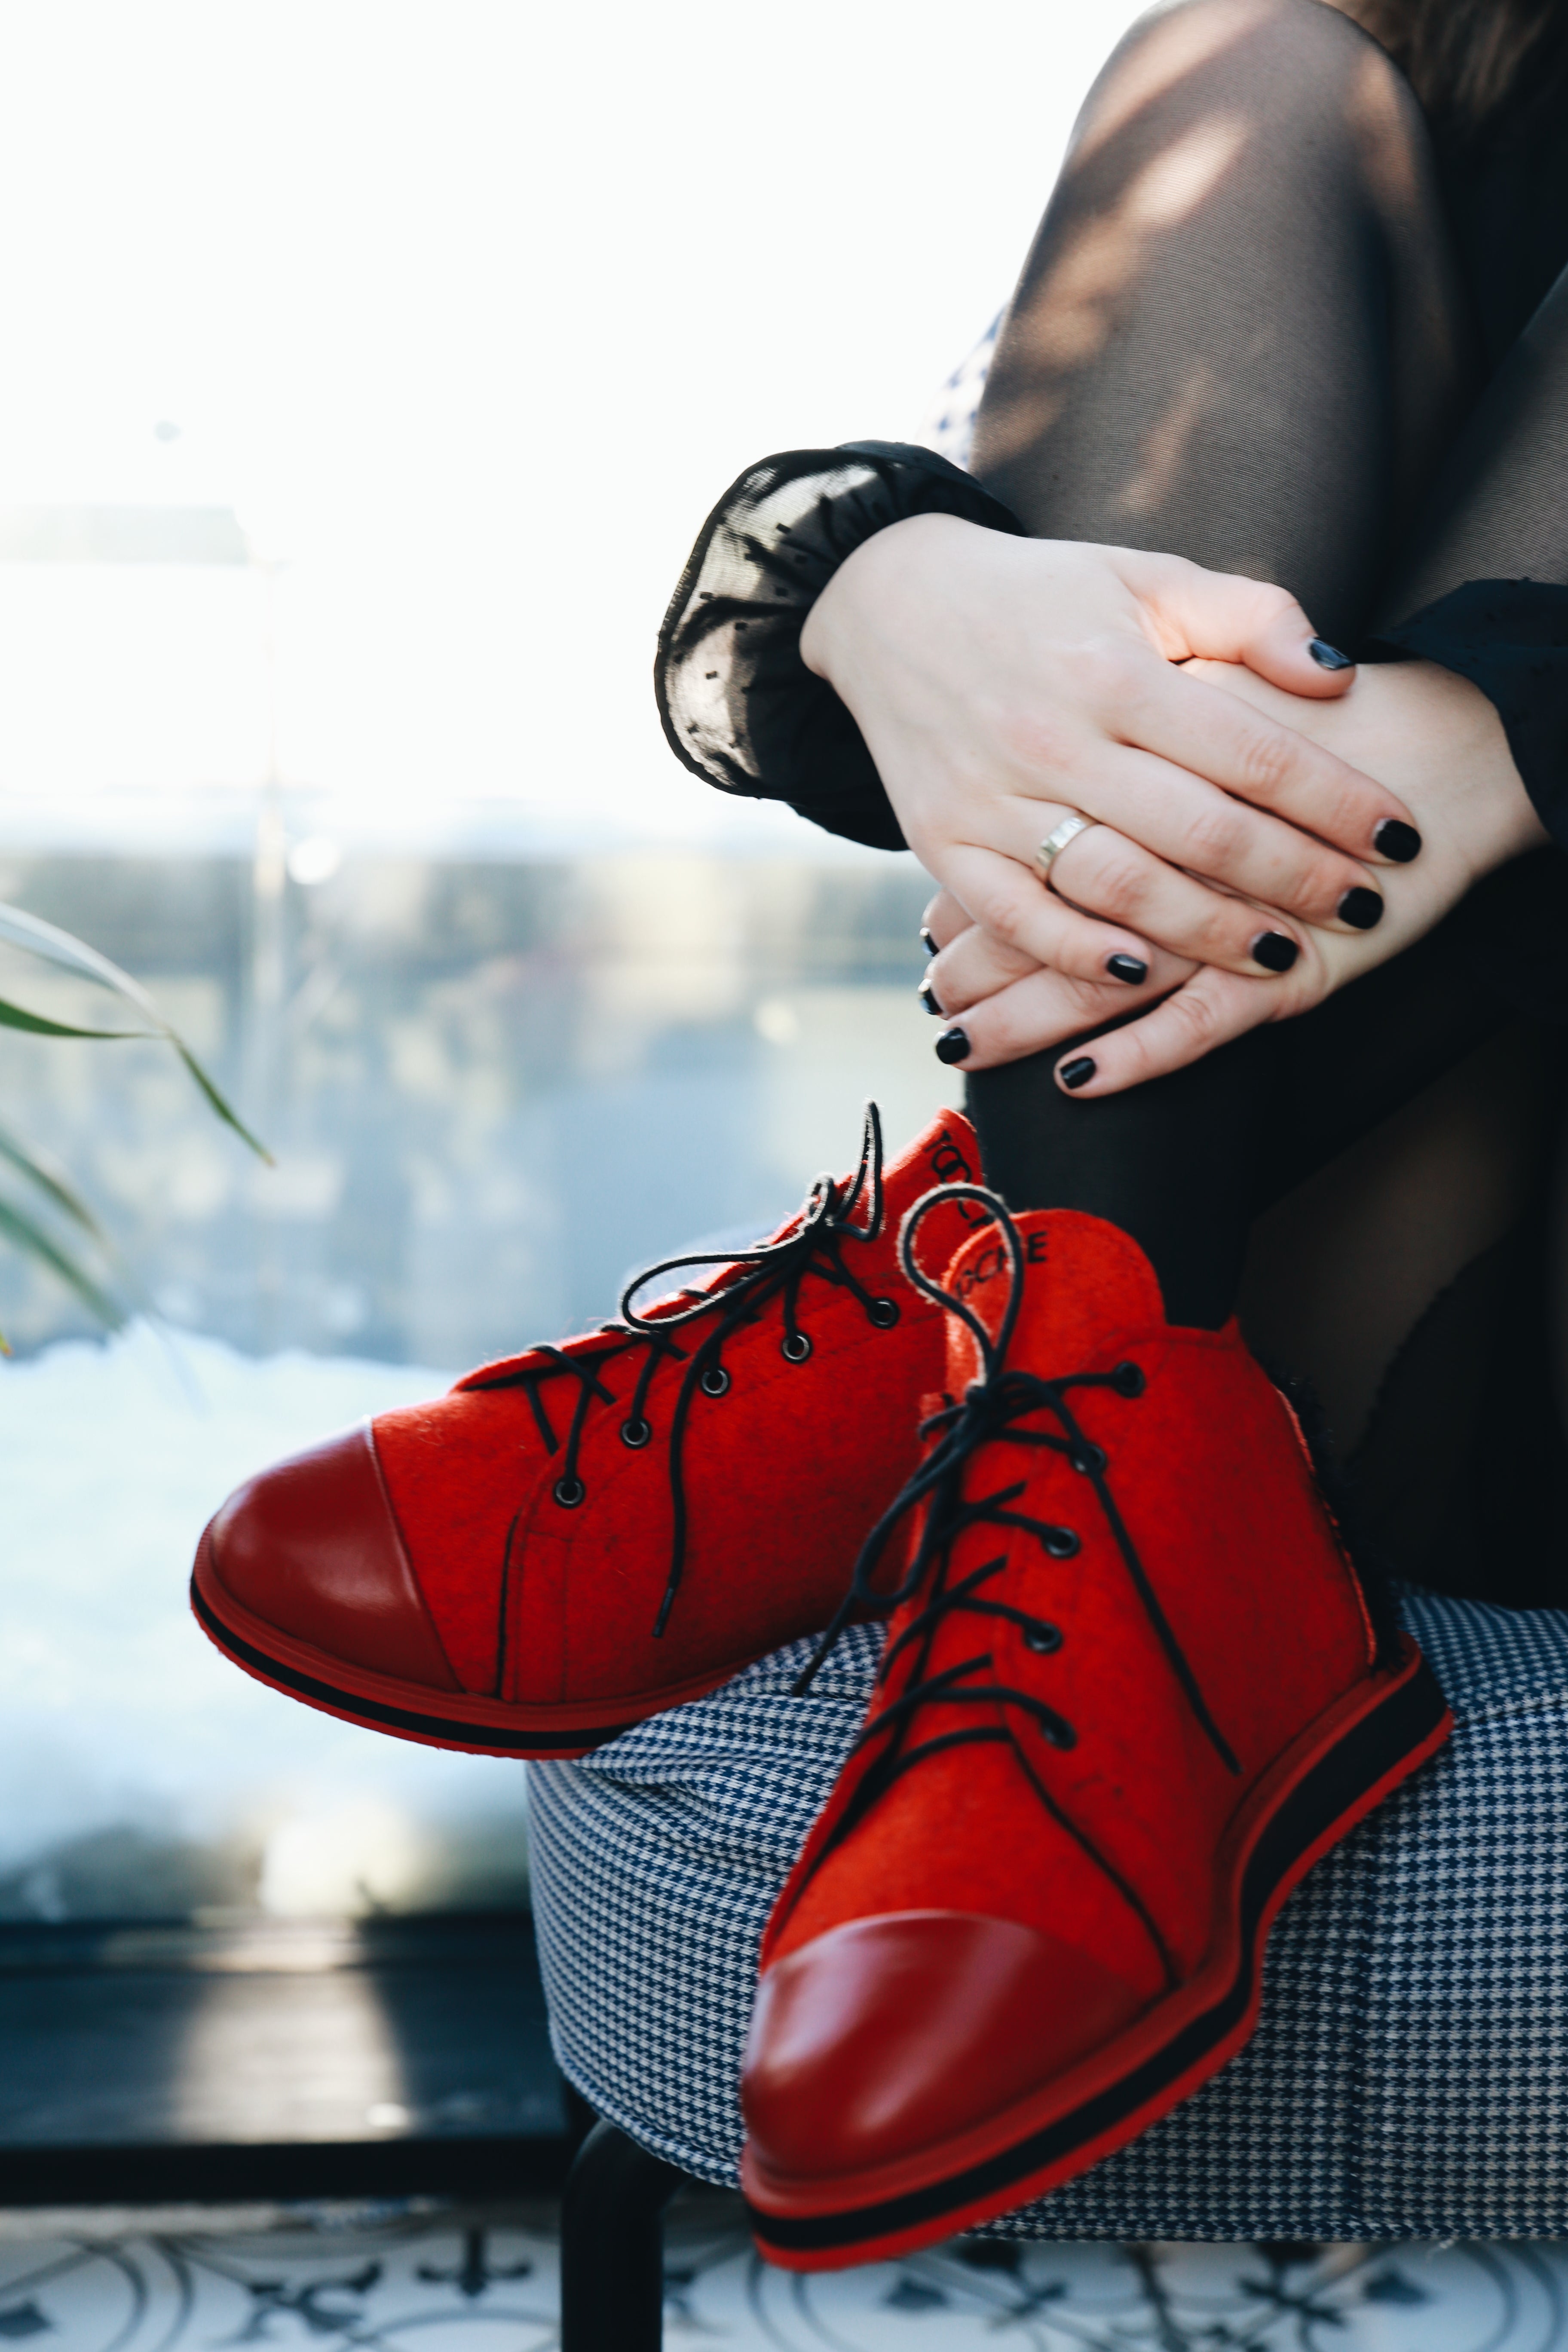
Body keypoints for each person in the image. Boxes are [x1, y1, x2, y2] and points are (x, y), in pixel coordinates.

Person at [191, 0, 1568, 2268]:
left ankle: (985, 1301)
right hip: (1274, 1204)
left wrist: (1507, 743)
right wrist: (890, 590)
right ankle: (1091, 1347)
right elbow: (1091, 665)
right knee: (1239, 79)